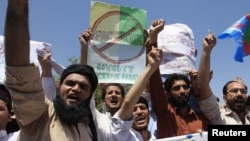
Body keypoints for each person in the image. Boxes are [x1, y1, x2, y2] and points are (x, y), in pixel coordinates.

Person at [4, 0, 98, 140]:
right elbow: (20, 70)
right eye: (70, 83)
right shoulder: (41, 115)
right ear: (60, 87)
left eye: (83, 87)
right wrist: (18, 6)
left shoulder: (88, 127)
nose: (76, 89)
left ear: (90, 95)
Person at [147, 19, 210, 139]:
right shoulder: (164, 113)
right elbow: (154, 80)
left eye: (185, 87)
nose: (182, 91)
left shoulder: (202, 119)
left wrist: (207, 50)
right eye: (176, 88)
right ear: (168, 94)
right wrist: (153, 39)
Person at [198, 30, 250, 125]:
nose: (239, 94)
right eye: (234, 91)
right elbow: (203, 86)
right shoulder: (218, 116)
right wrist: (206, 50)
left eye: (243, 91)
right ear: (224, 98)